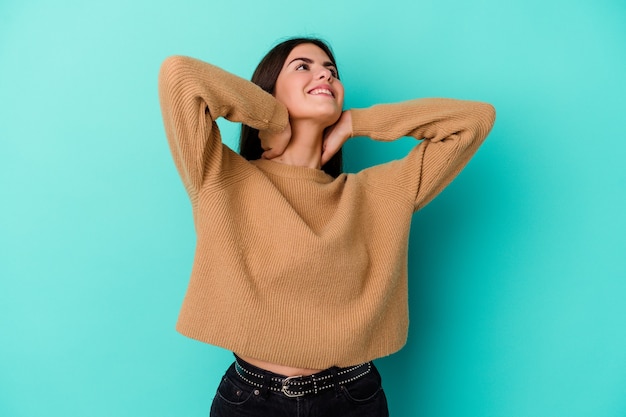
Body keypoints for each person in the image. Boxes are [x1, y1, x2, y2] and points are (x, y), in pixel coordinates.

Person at [158, 37, 495, 417]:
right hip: (250, 401)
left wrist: (356, 122)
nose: (324, 74)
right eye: (303, 66)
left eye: (331, 72)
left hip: (352, 398)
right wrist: (271, 118)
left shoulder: (376, 194)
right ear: (268, 90)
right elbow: (180, 75)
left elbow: (474, 120)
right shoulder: (221, 178)